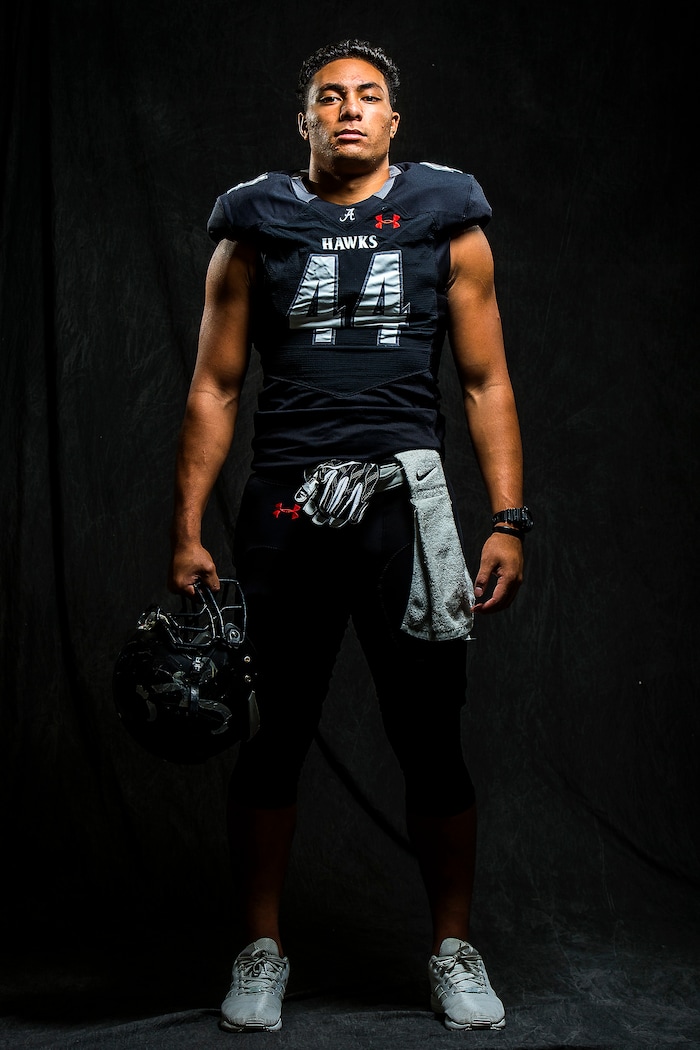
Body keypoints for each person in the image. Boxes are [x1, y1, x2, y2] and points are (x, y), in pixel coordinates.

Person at [169, 39, 531, 1033]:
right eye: (328, 97)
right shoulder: (255, 223)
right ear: (304, 120)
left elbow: (485, 379)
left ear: (393, 121)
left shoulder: (444, 215)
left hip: (405, 511)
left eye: (367, 96)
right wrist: (187, 528)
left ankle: (451, 948)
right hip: (285, 509)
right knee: (273, 733)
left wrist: (506, 517)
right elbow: (215, 384)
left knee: (429, 734)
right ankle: (260, 948)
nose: (348, 111)